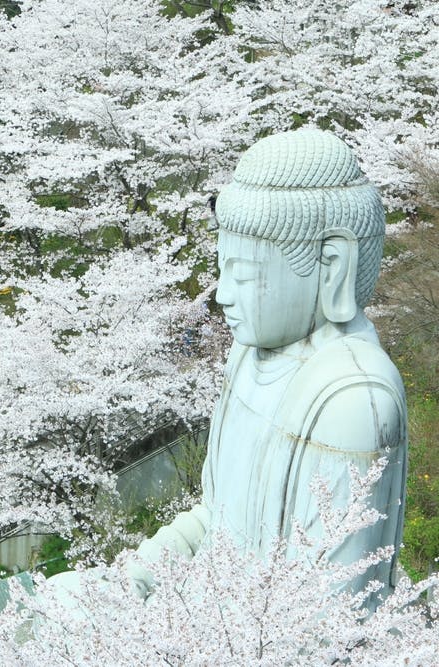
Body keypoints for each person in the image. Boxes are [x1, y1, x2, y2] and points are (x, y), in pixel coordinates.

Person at [125, 129, 407, 602]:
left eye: (245, 275)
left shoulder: (353, 401)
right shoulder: (246, 354)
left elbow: (321, 619)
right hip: (205, 611)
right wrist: (134, 579)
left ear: (332, 265)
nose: (221, 295)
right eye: (222, 269)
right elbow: (214, 520)